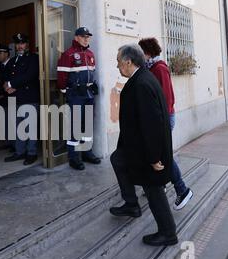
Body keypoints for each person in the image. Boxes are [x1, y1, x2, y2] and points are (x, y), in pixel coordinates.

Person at [110, 44, 178, 246]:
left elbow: (152, 123)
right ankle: (131, 204)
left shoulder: (142, 83)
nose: (117, 66)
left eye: (118, 62)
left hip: (147, 150)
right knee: (117, 159)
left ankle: (168, 233)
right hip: (135, 146)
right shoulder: (141, 78)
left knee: (153, 188)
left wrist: (154, 157)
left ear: (128, 62)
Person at [138, 37, 193, 210]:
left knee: (164, 155)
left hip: (163, 118)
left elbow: (166, 98)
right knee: (157, 153)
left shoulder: (159, 68)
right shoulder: (150, 68)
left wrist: (160, 122)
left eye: (141, 52)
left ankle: (182, 190)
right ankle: (159, 184)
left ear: (147, 52)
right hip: (159, 118)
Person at [57, 27, 101, 171]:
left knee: (87, 125)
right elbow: (62, 76)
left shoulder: (90, 54)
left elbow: (91, 73)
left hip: (88, 94)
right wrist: (65, 91)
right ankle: (74, 158)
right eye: (83, 36)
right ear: (76, 38)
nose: (86, 39)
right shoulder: (68, 54)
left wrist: (92, 85)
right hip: (76, 95)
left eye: (88, 36)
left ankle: (87, 152)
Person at [3, 33, 40, 166]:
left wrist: (12, 85)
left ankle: (32, 153)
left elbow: (30, 75)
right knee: (19, 127)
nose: (20, 46)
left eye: (22, 43)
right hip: (16, 98)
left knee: (30, 128)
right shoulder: (12, 61)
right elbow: (6, 76)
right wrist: (6, 85)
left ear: (27, 44)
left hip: (29, 98)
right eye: (18, 44)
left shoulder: (34, 58)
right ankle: (20, 152)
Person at [0, 43, 14, 152]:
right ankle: (8, 142)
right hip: (0, 98)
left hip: (10, 97)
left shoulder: (13, 64)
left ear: (6, 54)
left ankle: (14, 145)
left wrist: (2, 93)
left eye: (0, 53)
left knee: (12, 121)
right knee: (4, 121)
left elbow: (12, 83)